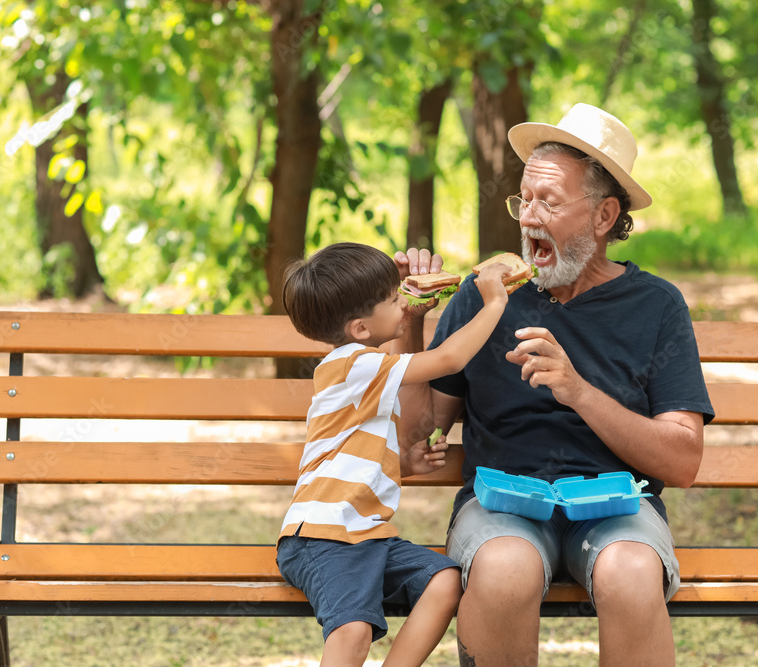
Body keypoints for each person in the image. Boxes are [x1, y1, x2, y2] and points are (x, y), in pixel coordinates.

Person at [395, 103, 716, 666]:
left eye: (551, 201)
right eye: (525, 199)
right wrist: (409, 324)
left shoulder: (656, 306)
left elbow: (683, 462)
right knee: (502, 571)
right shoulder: (481, 296)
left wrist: (578, 391)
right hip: (502, 505)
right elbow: (417, 441)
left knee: (632, 573)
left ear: (603, 216)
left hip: (617, 506)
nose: (529, 217)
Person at [275, 241, 511, 667]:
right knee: (352, 632)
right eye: (391, 300)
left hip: (364, 534)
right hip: (327, 536)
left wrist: (403, 465)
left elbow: (346, 451)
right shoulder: (356, 365)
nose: (403, 304)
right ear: (360, 328)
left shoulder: (360, 372)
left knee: (444, 581)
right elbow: (449, 358)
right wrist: (493, 303)